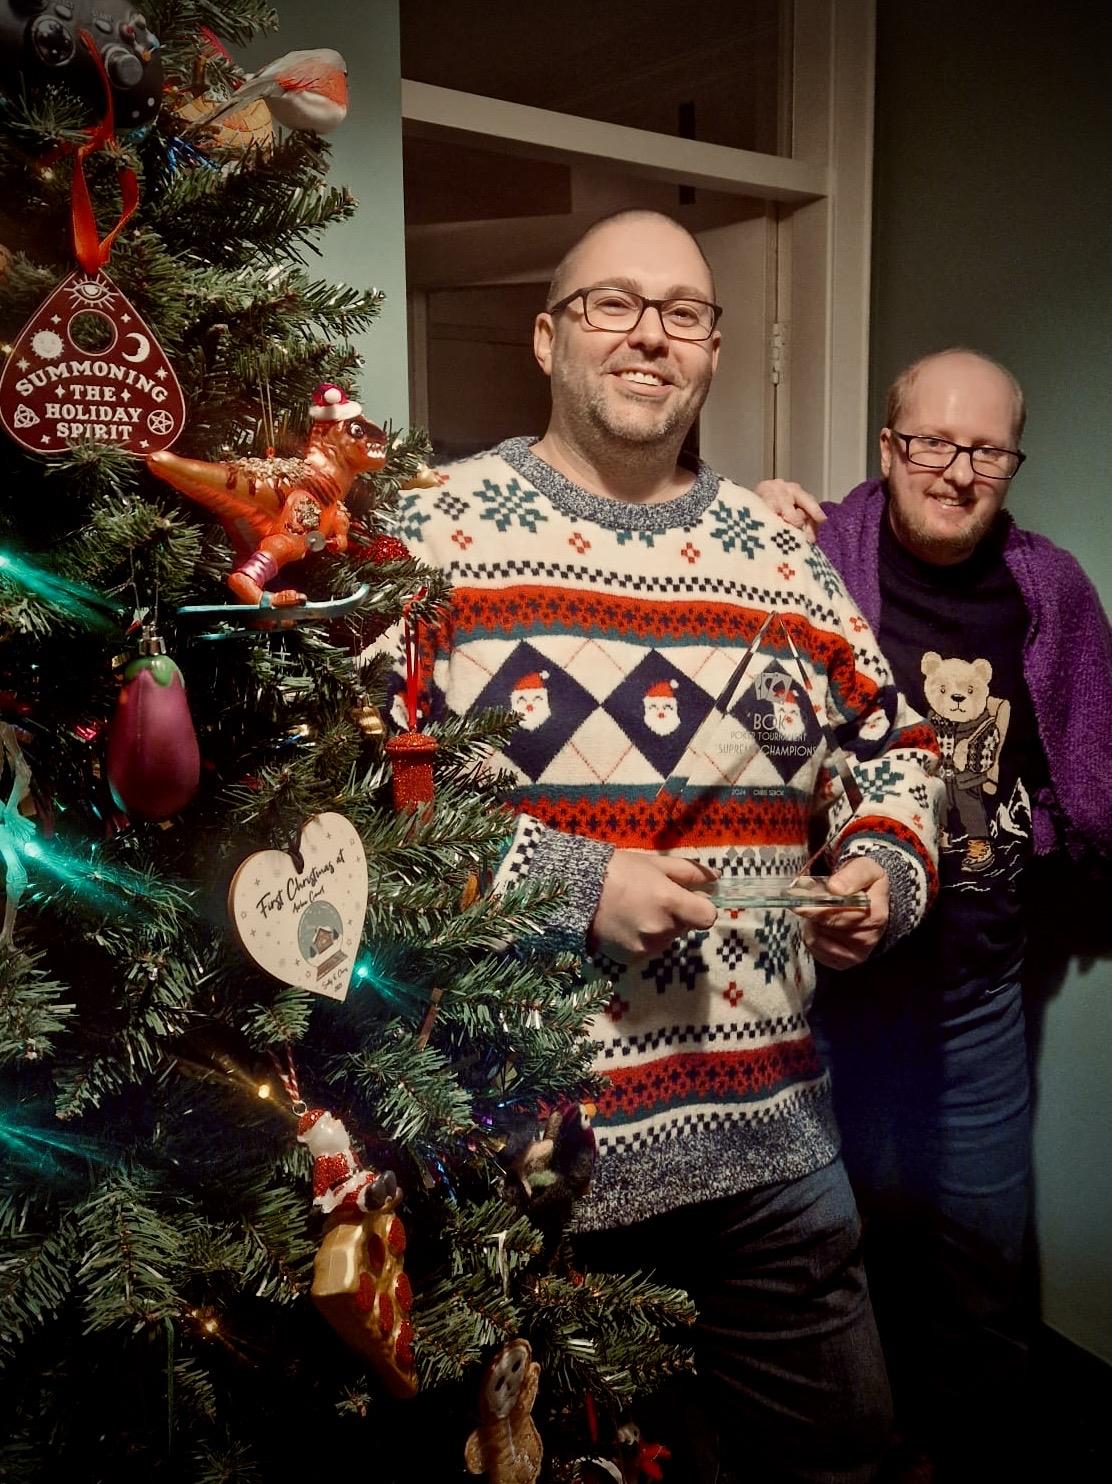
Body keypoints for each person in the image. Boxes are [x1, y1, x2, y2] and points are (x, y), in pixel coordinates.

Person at [376, 211, 943, 1483]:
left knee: (839, 1461)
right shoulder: (430, 533)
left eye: (683, 312)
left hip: (774, 1145)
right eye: (610, 304)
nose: (649, 334)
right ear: (545, 335)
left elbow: (897, 746)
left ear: (712, 351)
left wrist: (879, 872)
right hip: (524, 1157)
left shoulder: (781, 557)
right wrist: (573, 883)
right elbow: (355, 798)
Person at [754, 348, 1112, 1481]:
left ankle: (975, 1451)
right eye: (929, 444)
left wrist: (1037, 836)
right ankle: (856, 1444)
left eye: (985, 450)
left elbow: (1091, 762)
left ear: (1010, 459)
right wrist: (744, 509)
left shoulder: (1047, 586)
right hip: (824, 978)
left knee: (977, 1241)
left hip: (974, 982)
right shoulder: (808, 553)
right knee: (826, 1232)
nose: (955, 471)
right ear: (886, 447)